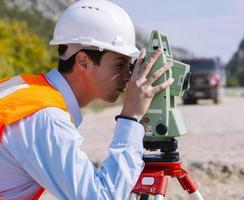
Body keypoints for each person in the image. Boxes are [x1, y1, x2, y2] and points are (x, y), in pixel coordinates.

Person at [0, 0, 174, 199]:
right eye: (120, 65)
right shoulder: (45, 118)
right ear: (83, 61)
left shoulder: (22, 87)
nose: (127, 77)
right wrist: (131, 118)